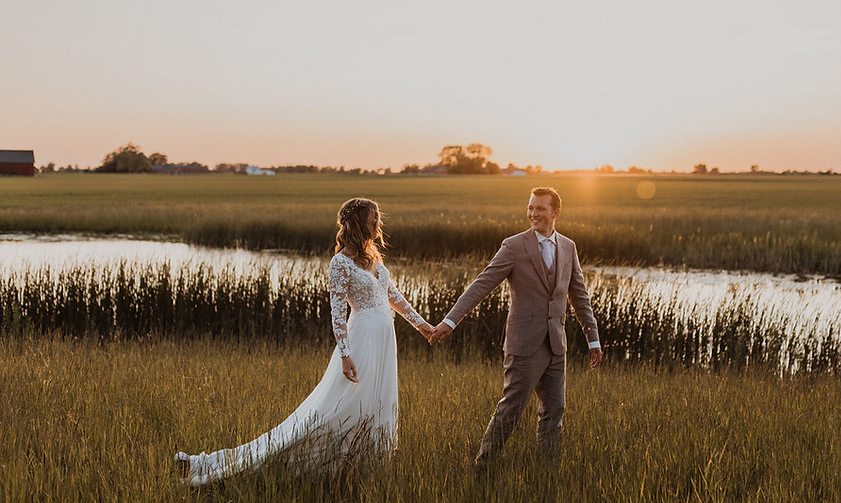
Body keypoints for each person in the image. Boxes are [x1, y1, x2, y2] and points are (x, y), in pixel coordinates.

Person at [174, 198, 434, 486]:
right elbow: (337, 313)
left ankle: (364, 463)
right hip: (362, 340)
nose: (379, 223)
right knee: (340, 407)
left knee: (377, 402)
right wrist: (345, 355)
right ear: (360, 222)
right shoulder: (340, 263)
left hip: (385, 339)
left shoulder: (374, 258)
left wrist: (423, 326)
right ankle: (227, 465)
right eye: (374, 218)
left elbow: (393, 295)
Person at [428, 186, 601, 470]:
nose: (533, 213)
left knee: (554, 412)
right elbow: (481, 285)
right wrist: (450, 320)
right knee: (510, 410)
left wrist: (592, 338)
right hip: (524, 345)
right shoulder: (514, 246)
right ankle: (483, 466)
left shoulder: (568, 247)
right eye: (530, 207)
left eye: (540, 208)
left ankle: (547, 472)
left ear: (555, 212)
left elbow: (579, 295)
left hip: (556, 345)